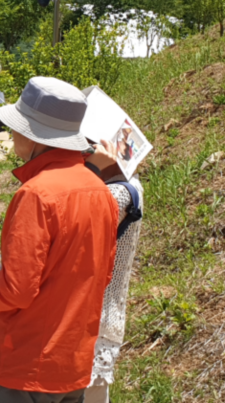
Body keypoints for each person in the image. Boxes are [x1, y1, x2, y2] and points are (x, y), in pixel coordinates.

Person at [0, 77, 118, 403]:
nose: (12, 132)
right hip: (72, 364)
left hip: (23, 365)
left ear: (33, 134)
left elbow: (17, 290)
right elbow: (100, 277)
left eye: (17, 125)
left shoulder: (36, 194)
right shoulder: (101, 193)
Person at [84, 140, 144, 403]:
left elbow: (81, 234)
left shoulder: (118, 193)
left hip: (96, 318)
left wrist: (91, 170)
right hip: (102, 313)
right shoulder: (125, 186)